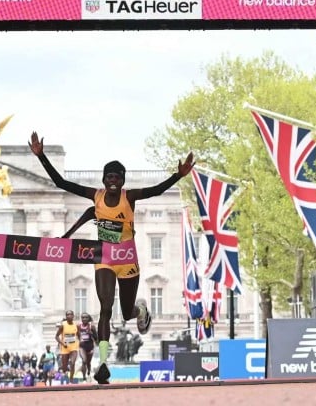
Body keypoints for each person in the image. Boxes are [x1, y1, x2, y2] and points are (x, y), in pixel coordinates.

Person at [30, 131, 195, 384]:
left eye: (118, 178)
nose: (113, 182)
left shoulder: (130, 197)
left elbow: (155, 190)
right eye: (109, 178)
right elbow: (62, 184)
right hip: (105, 257)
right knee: (106, 308)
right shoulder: (95, 196)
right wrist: (41, 157)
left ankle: (141, 310)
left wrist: (178, 175)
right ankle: (104, 363)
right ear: (104, 180)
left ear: (123, 180)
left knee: (126, 312)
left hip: (128, 259)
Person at [55, 310, 80, 383]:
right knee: (64, 367)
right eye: (67, 315)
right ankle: (65, 377)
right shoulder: (63, 325)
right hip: (65, 348)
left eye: (70, 315)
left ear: (73, 316)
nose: (69, 316)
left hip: (73, 348)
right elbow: (56, 337)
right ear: (66, 317)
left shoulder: (76, 325)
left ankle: (71, 379)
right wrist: (62, 343)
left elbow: (79, 335)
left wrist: (79, 342)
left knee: (72, 363)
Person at [76, 312, 96, 382]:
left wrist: (91, 334)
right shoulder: (78, 326)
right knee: (84, 360)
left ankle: (88, 373)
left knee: (88, 362)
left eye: (86, 317)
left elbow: (96, 338)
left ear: (88, 319)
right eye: (83, 317)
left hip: (90, 347)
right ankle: (84, 377)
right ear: (81, 319)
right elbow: (77, 334)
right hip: (82, 347)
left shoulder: (91, 326)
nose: (84, 319)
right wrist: (80, 339)